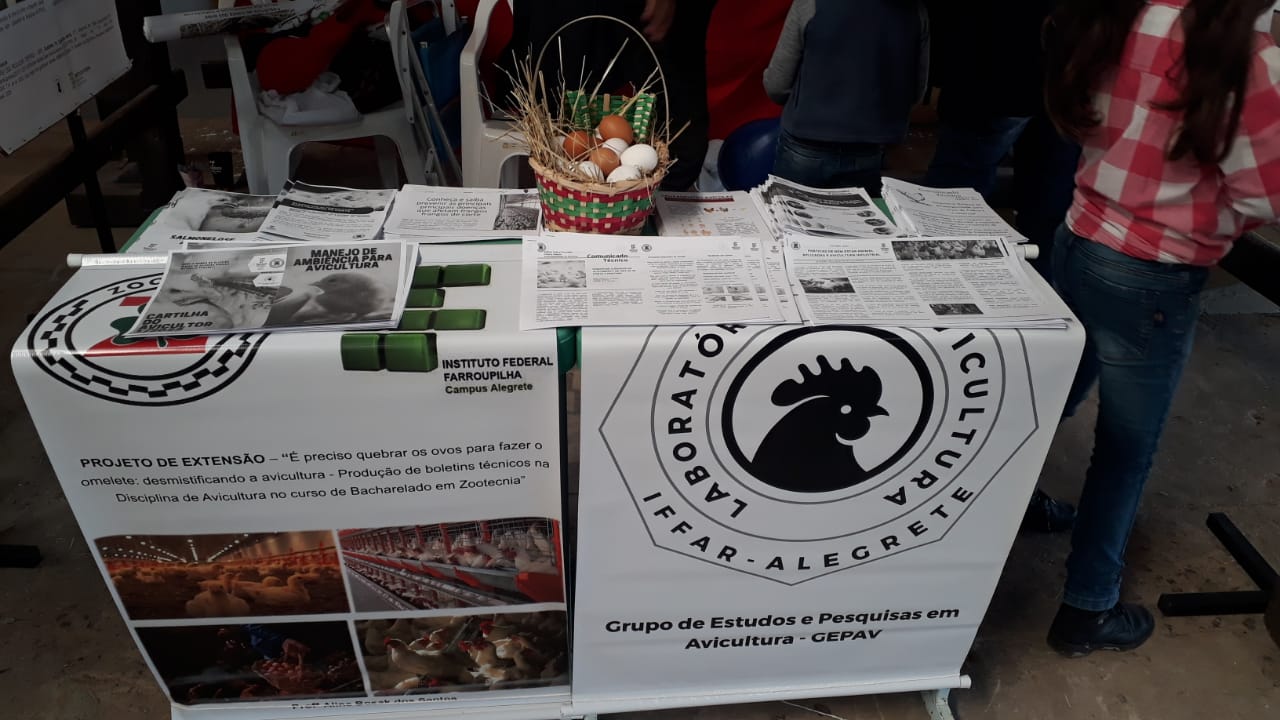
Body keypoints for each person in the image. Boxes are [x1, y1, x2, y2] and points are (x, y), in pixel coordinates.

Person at [1042, 0, 1280, 656]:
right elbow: (1264, 195)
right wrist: (1204, 217)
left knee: (1052, 399)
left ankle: (1006, 511)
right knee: (1126, 448)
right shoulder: (1249, 56)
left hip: (1080, 236)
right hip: (1151, 271)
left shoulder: (1129, 13)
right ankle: (1088, 606)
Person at [922, 0, 1080, 281]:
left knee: (953, 204)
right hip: (1066, 69)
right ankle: (1037, 296)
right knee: (1049, 212)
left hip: (991, 65)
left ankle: (942, 286)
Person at [763, 0, 929, 196]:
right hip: (871, 148)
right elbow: (915, 93)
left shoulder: (810, 3)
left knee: (793, 213)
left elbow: (777, 85)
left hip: (807, 143)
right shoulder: (914, 10)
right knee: (857, 215)